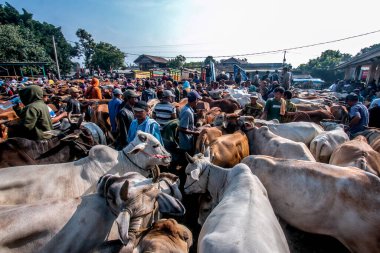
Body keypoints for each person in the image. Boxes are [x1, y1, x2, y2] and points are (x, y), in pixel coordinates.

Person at [178, 91, 201, 155]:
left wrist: (194, 128)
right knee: (186, 159)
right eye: (197, 99)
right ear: (195, 100)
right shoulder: (187, 112)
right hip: (186, 142)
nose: (198, 101)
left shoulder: (188, 108)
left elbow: (188, 125)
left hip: (188, 140)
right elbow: (181, 128)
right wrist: (194, 132)